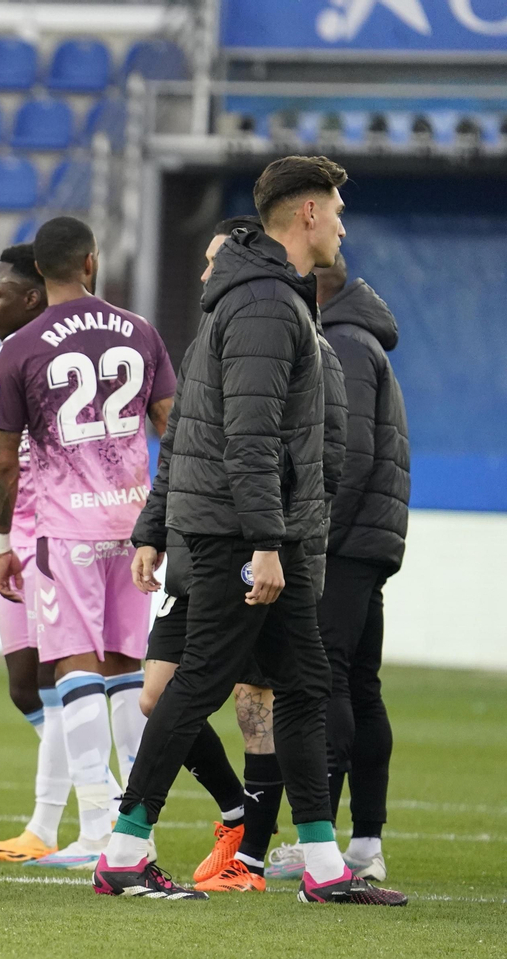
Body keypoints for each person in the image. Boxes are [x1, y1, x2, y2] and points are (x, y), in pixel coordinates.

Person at [100, 156, 406, 905]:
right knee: (201, 681)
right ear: (305, 214)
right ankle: (124, 849)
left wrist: (156, 525)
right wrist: (267, 542)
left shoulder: (251, 300)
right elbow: (249, 436)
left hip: (256, 530)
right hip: (249, 537)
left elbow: (193, 433)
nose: (341, 226)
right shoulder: (268, 303)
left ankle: (325, 868)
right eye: (335, 211)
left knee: (303, 686)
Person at [0, 216, 175, 873]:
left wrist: (4, 539)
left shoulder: (20, 348)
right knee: (127, 667)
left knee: (75, 667)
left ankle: (95, 827)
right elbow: (172, 428)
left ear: (40, 272)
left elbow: (2, 462)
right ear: (90, 262)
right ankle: (133, 830)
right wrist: (164, 517)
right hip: (134, 523)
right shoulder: (141, 331)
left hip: (64, 529)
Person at [131, 217, 287, 894]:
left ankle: (250, 852)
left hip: (239, 544)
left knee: (255, 703)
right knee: (157, 697)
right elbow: (179, 451)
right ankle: (234, 813)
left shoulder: (264, 333)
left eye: (211, 261)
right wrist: (151, 530)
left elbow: (266, 449)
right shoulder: (206, 341)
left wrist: (269, 539)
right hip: (191, 549)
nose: (202, 274)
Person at [0, 243, 83, 866]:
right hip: (16, 539)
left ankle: (49, 821)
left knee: (55, 680)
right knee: (22, 686)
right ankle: (97, 783)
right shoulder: (6, 359)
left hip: (58, 537)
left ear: (33, 297)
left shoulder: (53, 353)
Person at [315, 254, 408, 882]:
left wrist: (316, 540)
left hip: (344, 541)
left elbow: (347, 455)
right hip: (369, 538)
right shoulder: (360, 336)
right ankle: (365, 843)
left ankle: (317, 838)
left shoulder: (342, 342)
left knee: (327, 680)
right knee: (360, 684)